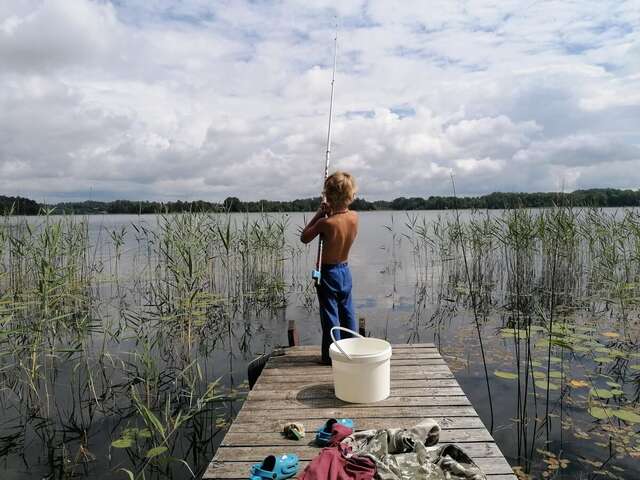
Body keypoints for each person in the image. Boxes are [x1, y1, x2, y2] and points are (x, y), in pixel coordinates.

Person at [300, 171, 359, 364]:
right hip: (345, 271)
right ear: (350, 195)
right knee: (347, 312)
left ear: (329, 195)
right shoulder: (354, 218)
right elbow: (341, 220)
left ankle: (330, 357)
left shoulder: (326, 223)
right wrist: (331, 211)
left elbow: (304, 237)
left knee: (330, 316)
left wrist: (319, 213)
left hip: (328, 273)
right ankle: (353, 350)